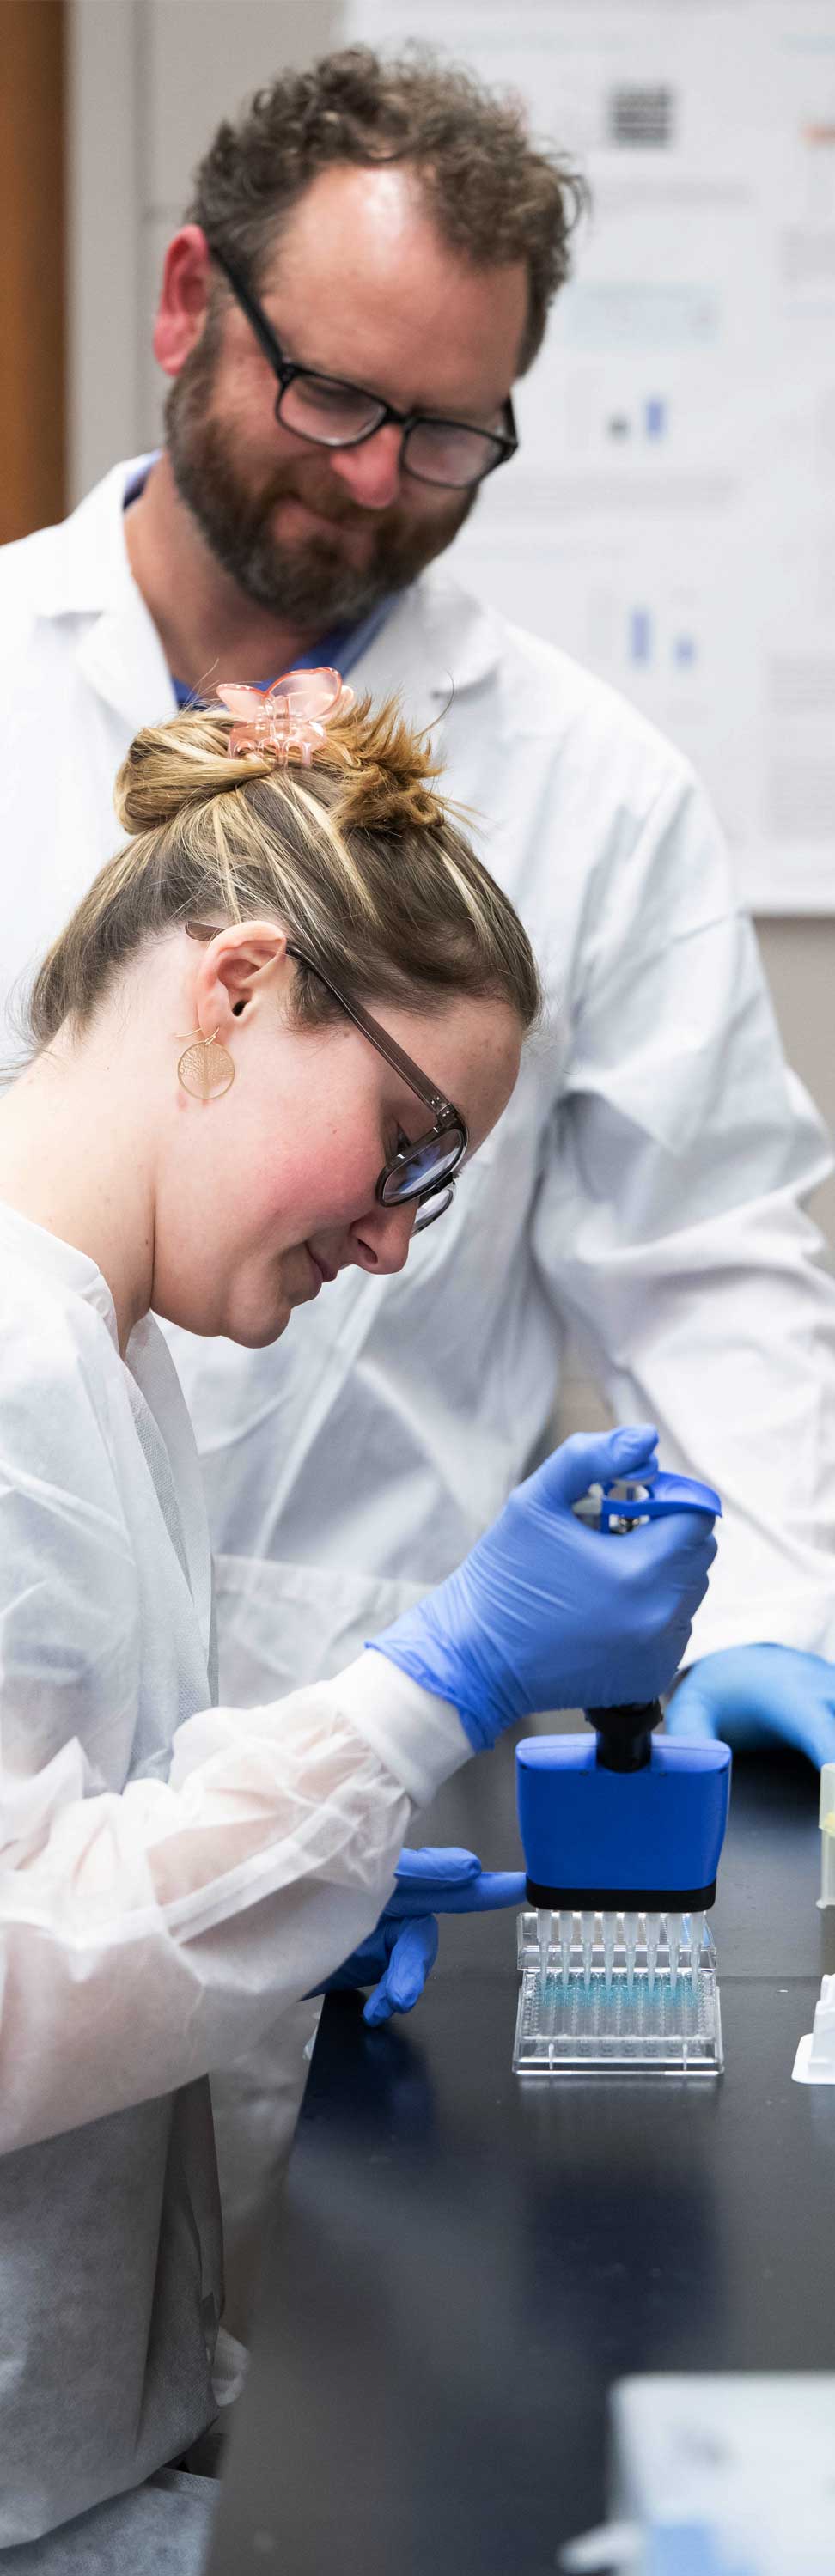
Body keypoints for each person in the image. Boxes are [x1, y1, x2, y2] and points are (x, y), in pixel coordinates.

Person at [0, 682, 716, 2572]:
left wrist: (308, 1876)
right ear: (240, 989)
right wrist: (430, 1687)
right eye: (407, 1140)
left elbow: (65, 1809)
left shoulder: (98, 1346)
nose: (398, 1240)